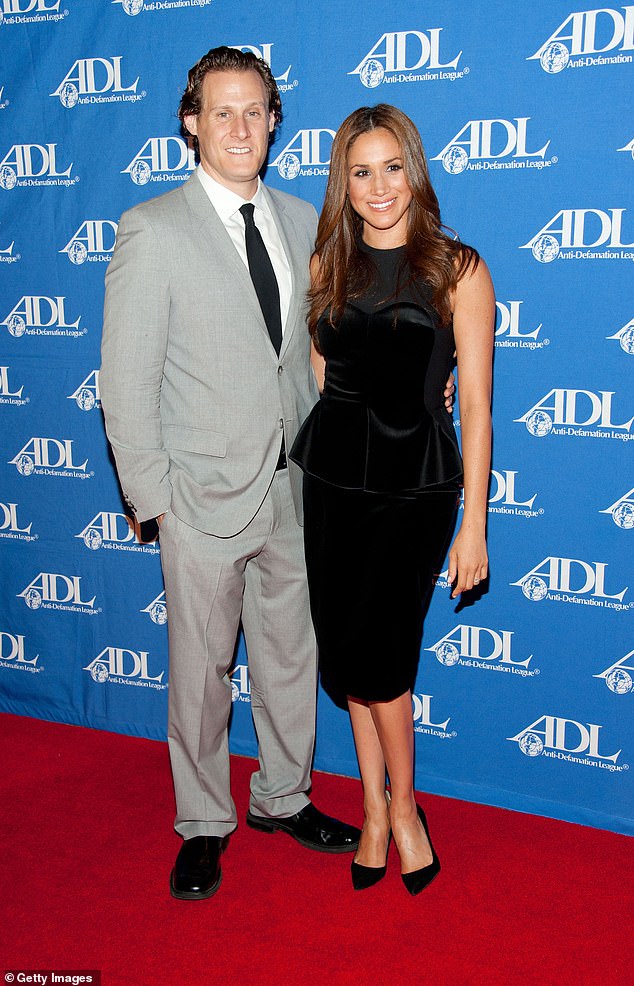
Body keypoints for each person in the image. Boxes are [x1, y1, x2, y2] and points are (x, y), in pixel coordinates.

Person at [100, 46, 362, 902]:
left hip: (293, 489)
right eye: (222, 112)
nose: (239, 127)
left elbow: (315, 357)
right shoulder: (153, 228)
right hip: (200, 499)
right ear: (191, 123)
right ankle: (204, 823)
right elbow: (126, 380)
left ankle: (283, 799)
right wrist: (156, 503)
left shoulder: (299, 219)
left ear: (275, 121)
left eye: (254, 111)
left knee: (292, 657)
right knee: (201, 672)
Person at [290, 104, 495, 895]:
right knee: (347, 655)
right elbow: (319, 371)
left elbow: (474, 402)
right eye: (360, 170)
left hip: (416, 487)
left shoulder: (457, 269)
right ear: (344, 179)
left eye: (392, 167)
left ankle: (405, 809)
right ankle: (372, 813)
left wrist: (473, 523)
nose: (378, 187)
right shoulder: (326, 266)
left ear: (416, 168)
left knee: (384, 660)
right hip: (333, 480)